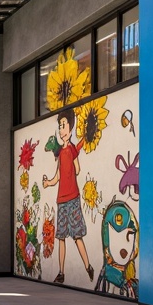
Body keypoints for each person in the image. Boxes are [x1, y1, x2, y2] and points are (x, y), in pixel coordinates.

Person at [41, 108, 95, 285]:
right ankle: (62, 272)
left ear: (70, 128)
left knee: (77, 235)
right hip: (61, 200)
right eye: (60, 126)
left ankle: (88, 266)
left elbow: (77, 168)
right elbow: (57, 176)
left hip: (72, 198)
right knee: (61, 237)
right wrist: (48, 182)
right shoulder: (60, 154)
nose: (61, 129)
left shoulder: (71, 149)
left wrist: (73, 160)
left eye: (63, 125)